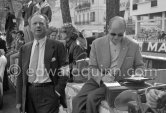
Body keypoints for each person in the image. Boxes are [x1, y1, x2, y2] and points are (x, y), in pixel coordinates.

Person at [72, 16, 145, 113]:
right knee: (77, 100)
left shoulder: (133, 45)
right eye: (113, 34)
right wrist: (102, 77)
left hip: (120, 82)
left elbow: (140, 65)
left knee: (92, 98)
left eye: (120, 35)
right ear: (108, 28)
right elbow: (92, 67)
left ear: (124, 31)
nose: (116, 38)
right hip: (97, 79)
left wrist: (138, 75)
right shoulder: (96, 43)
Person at [16, 13, 68, 113]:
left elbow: (65, 70)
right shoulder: (24, 49)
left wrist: (57, 91)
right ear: (30, 28)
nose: (38, 25)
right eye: (34, 23)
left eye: (41, 23)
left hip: (49, 93)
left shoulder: (58, 46)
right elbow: (20, 76)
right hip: (29, 94)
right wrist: (19, 100)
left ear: (47, 27)